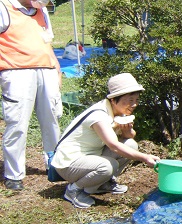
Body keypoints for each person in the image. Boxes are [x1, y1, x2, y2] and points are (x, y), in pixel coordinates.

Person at [50, 73, 160, 208]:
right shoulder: (99, 116)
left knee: (131, 145)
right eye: (130, 100)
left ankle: (102, 183)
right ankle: (74, 190)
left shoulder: (120, 111)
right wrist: (145, 158)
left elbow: (129, 136)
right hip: (69, 163)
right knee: (107, 166)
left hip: (91, 156)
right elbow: (113, 145)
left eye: (136, 100)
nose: (134, 104)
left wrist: (126, 129)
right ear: (114, 100)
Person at [0, 0, 63, 191]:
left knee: (52, 119)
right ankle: (14, 173)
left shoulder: (41, 11)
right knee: (17, 123)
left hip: (45, 70)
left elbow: (47, 42)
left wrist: (56, 68)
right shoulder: (3, 9)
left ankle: (55, 164)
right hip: (17, 72)